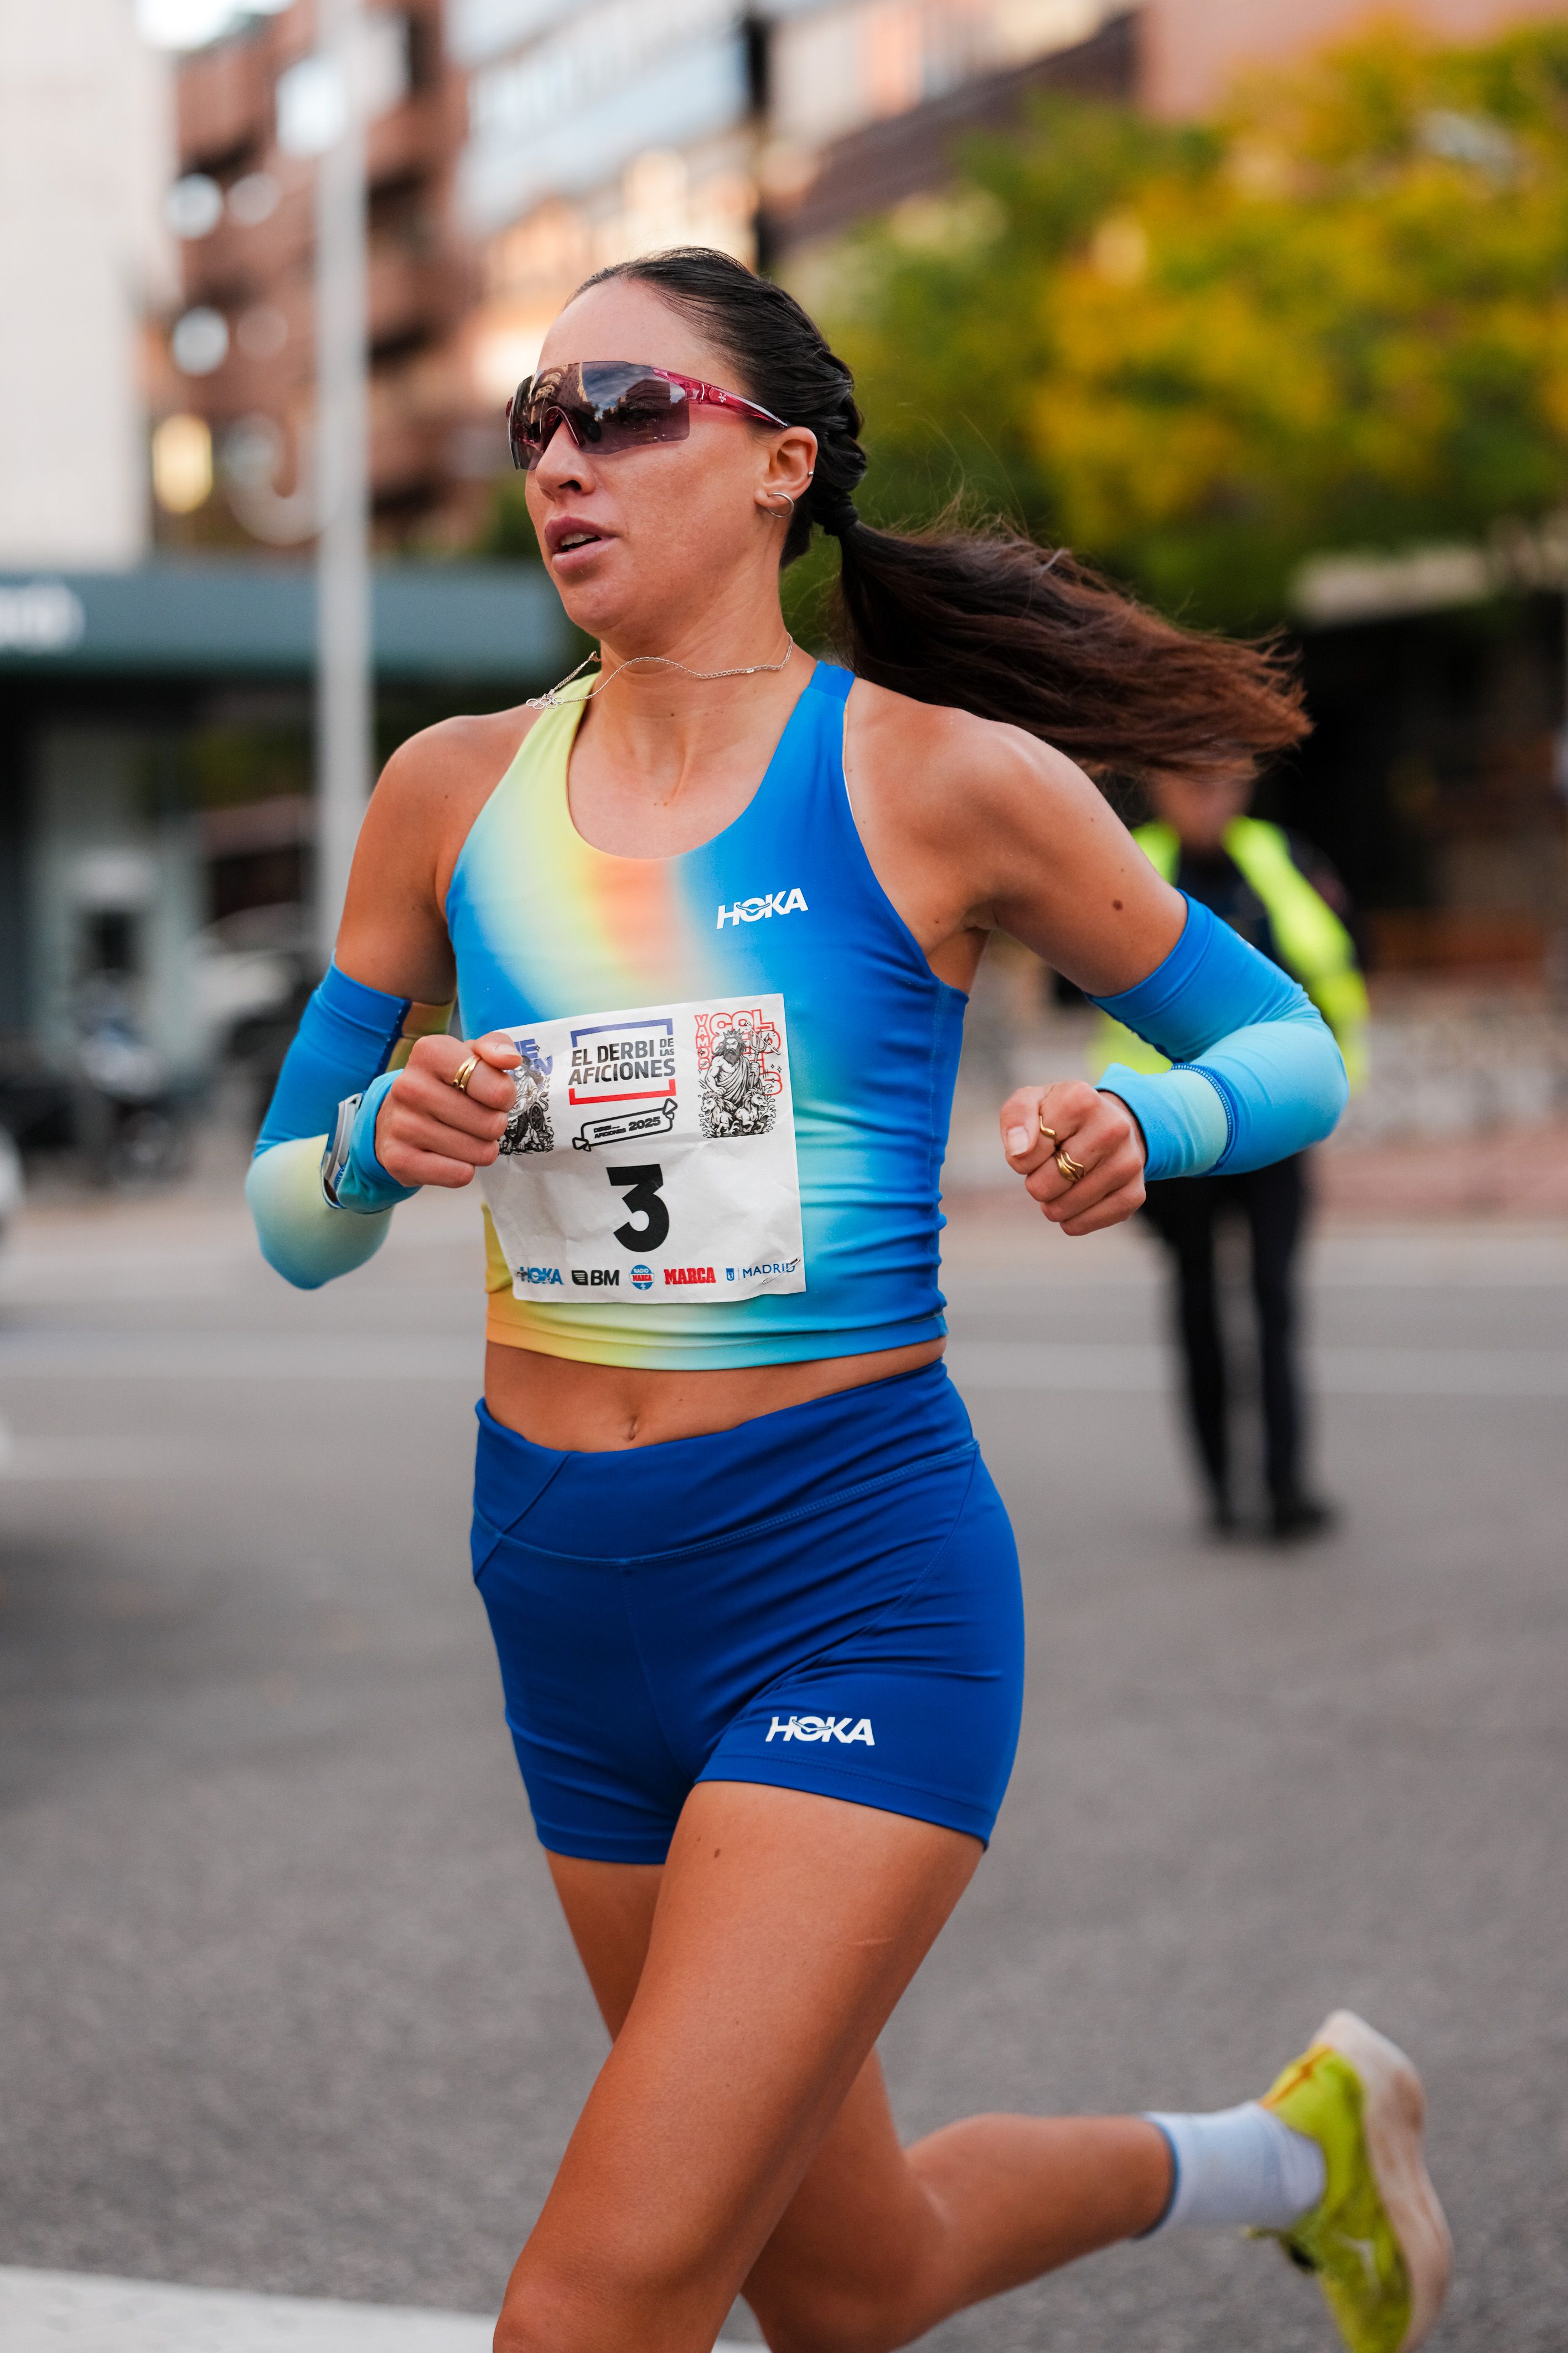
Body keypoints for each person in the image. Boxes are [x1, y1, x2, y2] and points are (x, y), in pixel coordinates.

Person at [246, 251, 1448, 2353]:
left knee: (589, 2309)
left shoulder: (935, 778)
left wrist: (1147, 1123)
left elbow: (1285, 1044)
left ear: (779, 465)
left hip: (844, 1585)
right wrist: (371, 1147)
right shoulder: (448, 791)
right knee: (847, 2279)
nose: (561, 458)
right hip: (560, 1593)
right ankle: (1293, 2154)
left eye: (623, 408)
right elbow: (291, 1217)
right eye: (534, 421)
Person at [1091, 767, 1369, 1540]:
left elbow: (1345, 960)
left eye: (1224, 777)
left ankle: (1285, 1485)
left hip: (1271, 1121)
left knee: (1275, 1299)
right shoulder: (1124, 859)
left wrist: (1329, 1080)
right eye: (1192, 778)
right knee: (1197, 1301)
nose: (1210, 794)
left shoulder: (1282, 858)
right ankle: (1219, 1487)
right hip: (1171, 1129)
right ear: (1160, 784)